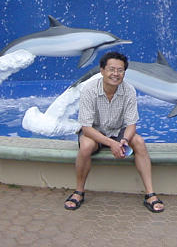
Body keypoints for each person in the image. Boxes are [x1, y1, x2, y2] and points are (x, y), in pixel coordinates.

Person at [63, 51, 164, 213]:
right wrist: (112, 144)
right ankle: (79, 191)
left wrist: (124, 140)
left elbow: (131, 124)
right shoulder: (89, 89)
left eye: (120, 70)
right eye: (111, 69)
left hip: (117, 131)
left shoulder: (129, 90)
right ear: (102, 70)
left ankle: (150, 194)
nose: (115, 74)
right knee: (86, 146)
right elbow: (86, 128)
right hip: (94, 131)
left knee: (139, 142)